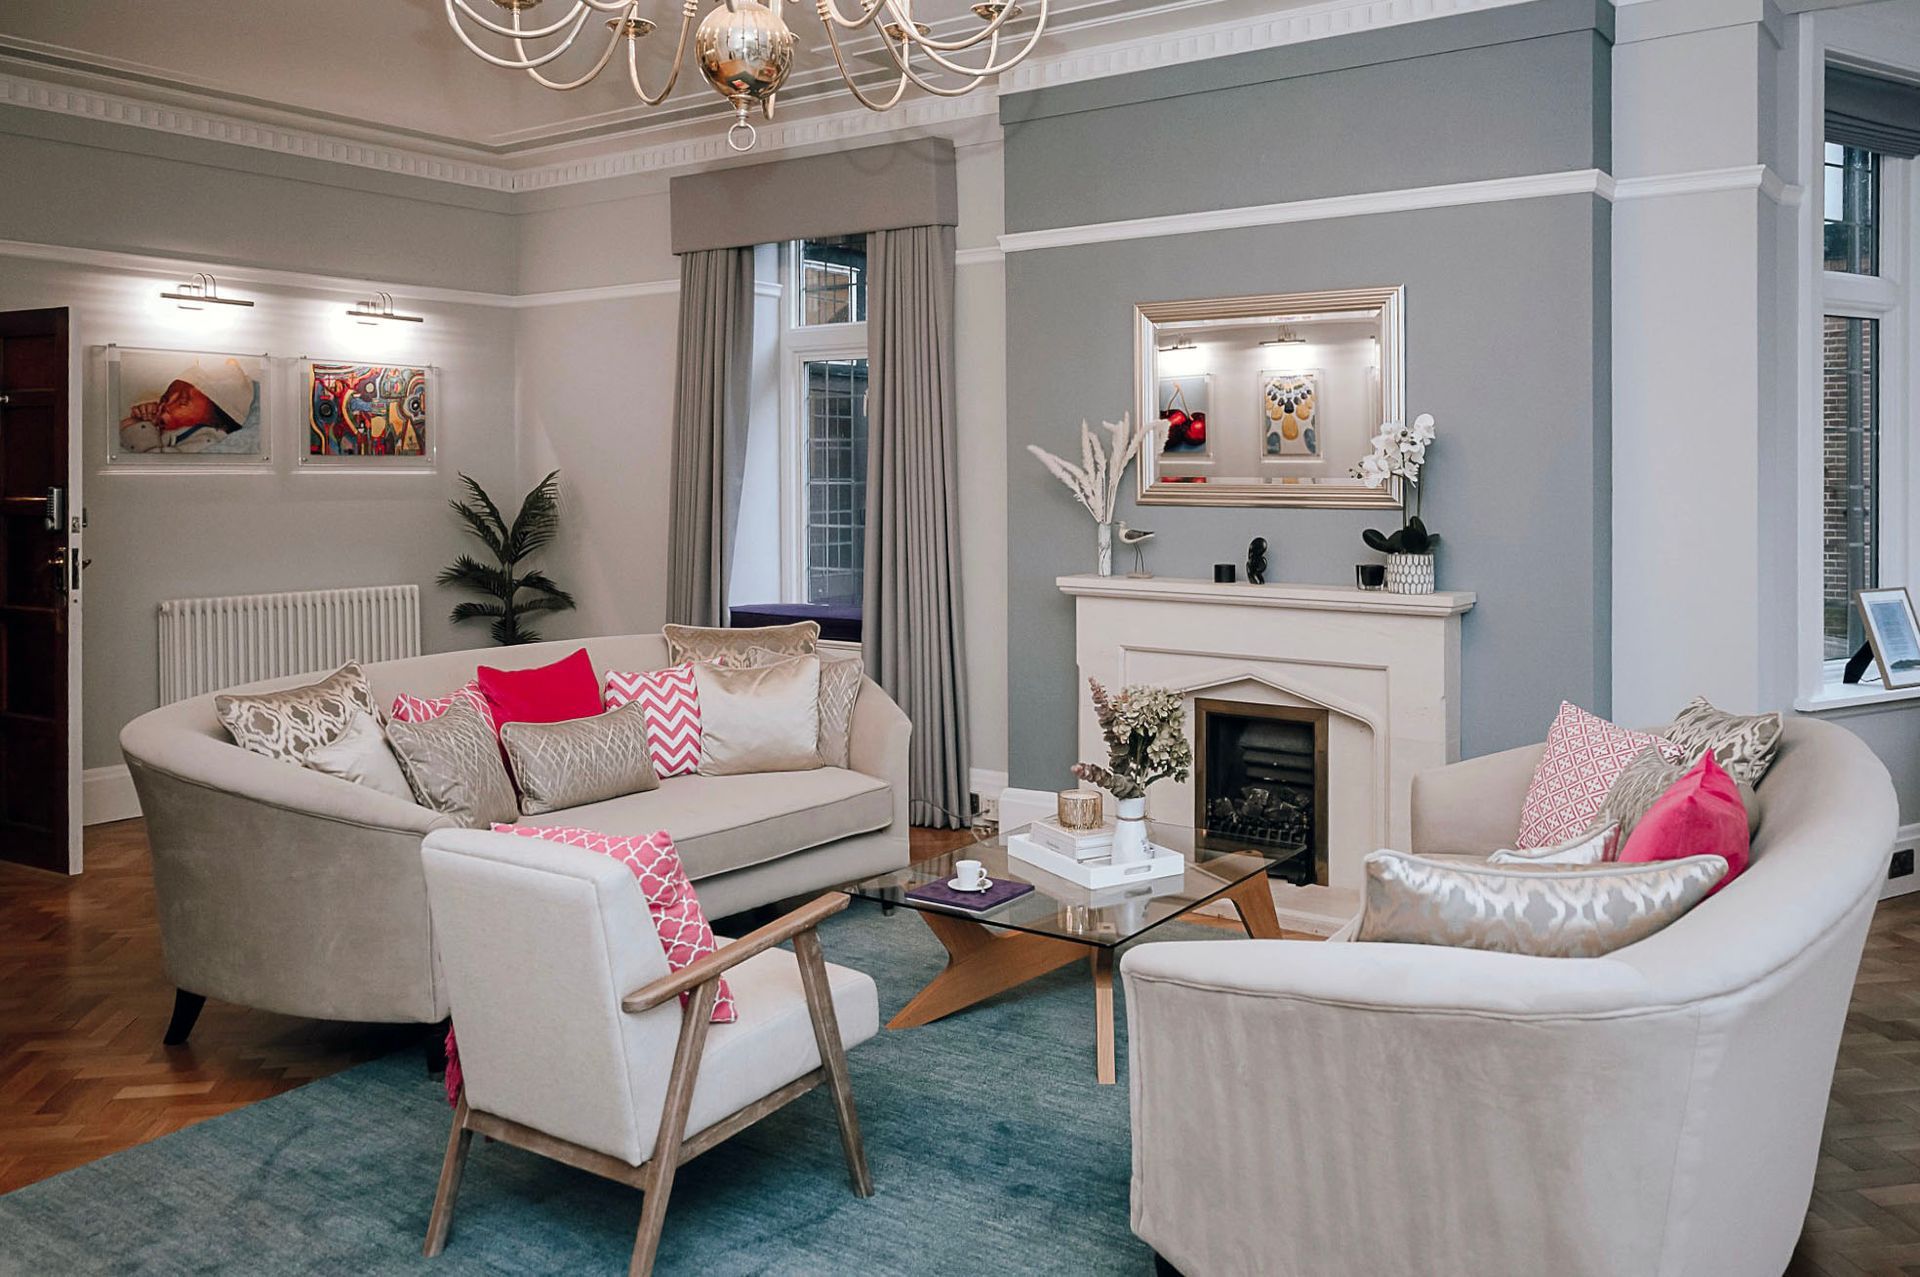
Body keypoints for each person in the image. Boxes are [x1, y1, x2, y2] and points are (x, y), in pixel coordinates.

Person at [119, 356, 255, 453]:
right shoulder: (170, 429)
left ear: (219, 422)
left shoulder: (207, 439)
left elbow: (158, 463)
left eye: (183, 401)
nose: (167, 405)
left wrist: (141, 428)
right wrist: (143, 420)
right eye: (164, 399)